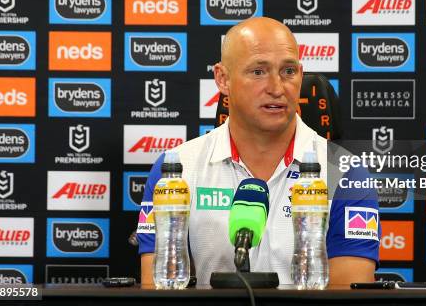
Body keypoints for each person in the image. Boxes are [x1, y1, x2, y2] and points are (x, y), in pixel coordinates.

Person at [137, 17, 379, 286]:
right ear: (223, 78)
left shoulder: (344, 171)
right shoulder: (175, 170)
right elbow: (159, 290)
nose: (277, 88)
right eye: (258, 72)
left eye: (288, 71)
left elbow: (348, 300)